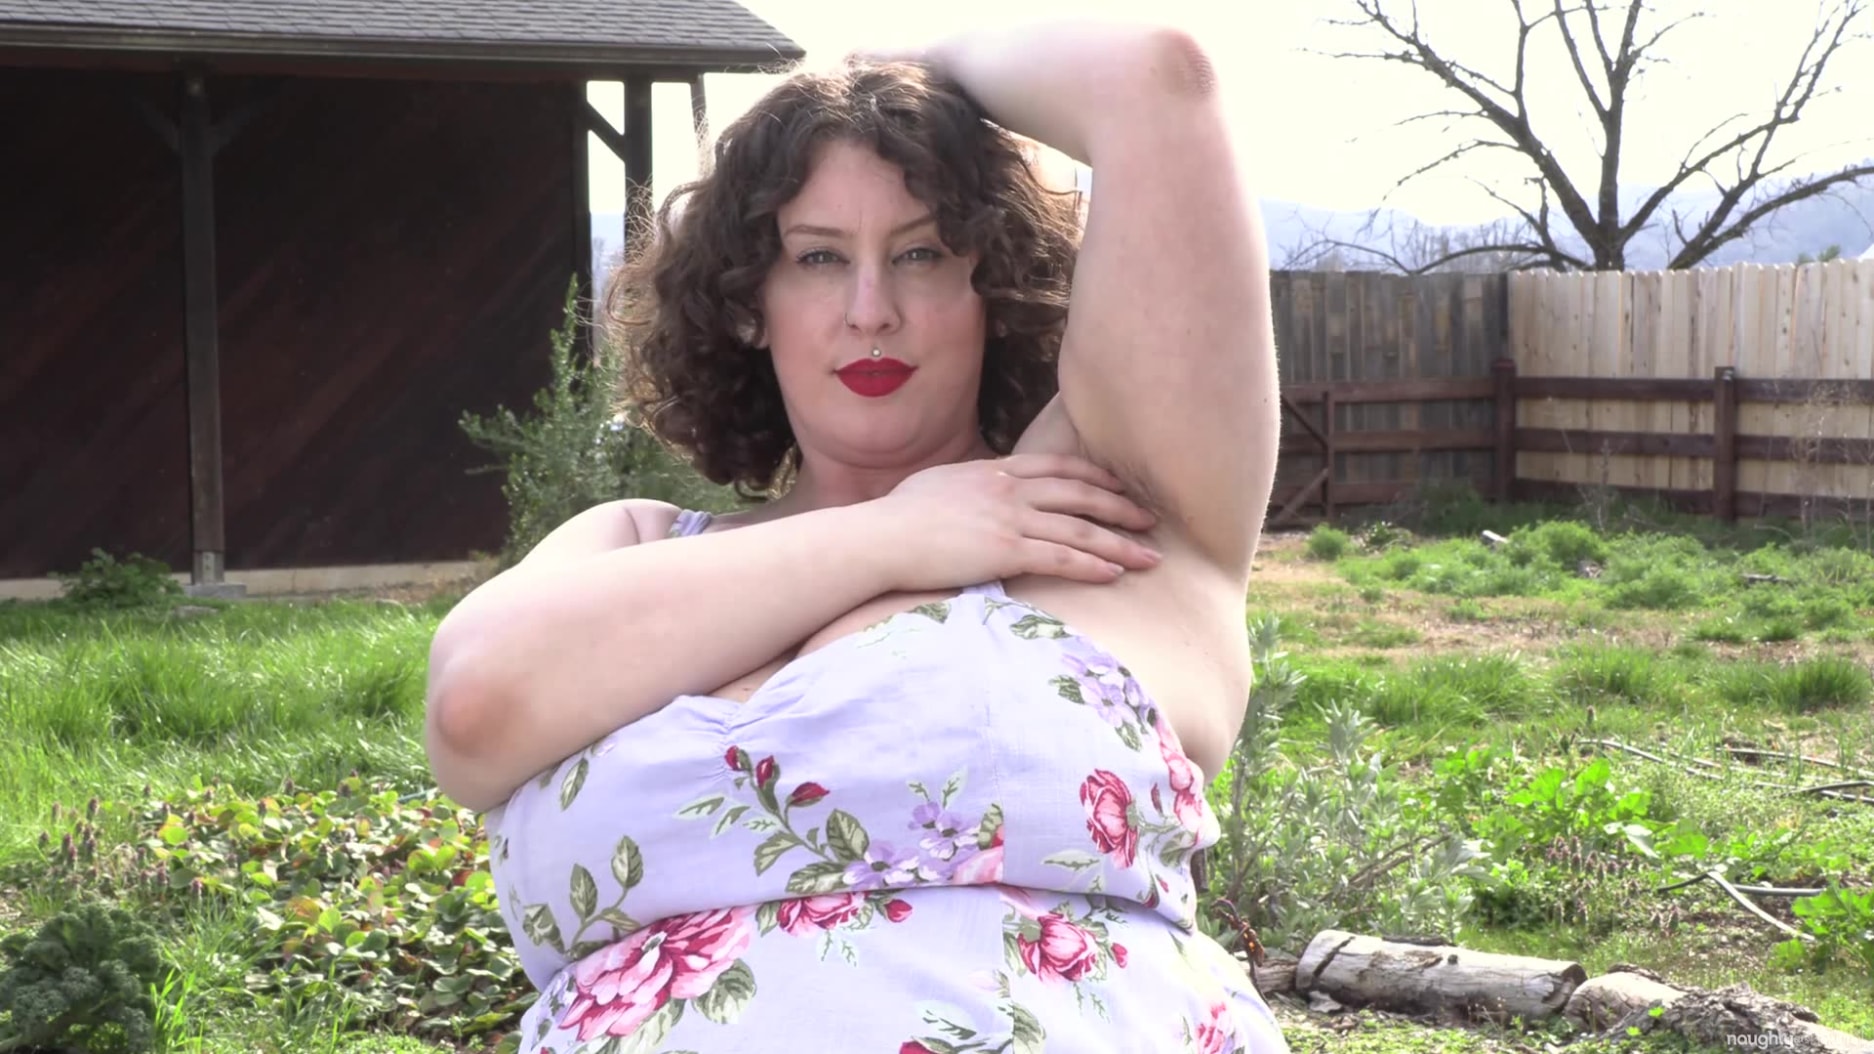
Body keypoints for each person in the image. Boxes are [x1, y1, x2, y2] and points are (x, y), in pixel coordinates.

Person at [424, 16, 1284, 1052]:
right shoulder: (635, 542)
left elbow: (1156, 82)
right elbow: (474, 711)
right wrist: (893, 537)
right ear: (750, 304)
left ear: (992, 285)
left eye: (922, 252)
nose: (871, 309)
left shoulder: (1100, 514)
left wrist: (896, 71)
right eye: (819, 257)